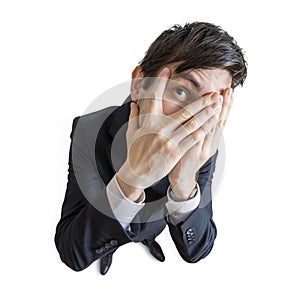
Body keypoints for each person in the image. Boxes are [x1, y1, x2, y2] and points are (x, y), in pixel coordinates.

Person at [54, 22, 247, 275]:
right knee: (110, 236)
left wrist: (185, 185)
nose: (193, 121)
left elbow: (197, 249)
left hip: (154, 225)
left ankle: (146, 239)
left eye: (209, 105)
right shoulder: (89, 130)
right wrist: (131, 178)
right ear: (139, 84)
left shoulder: (202, 144)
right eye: (181, 91)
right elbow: (72, 252)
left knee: (147, 232)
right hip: (106, 225)